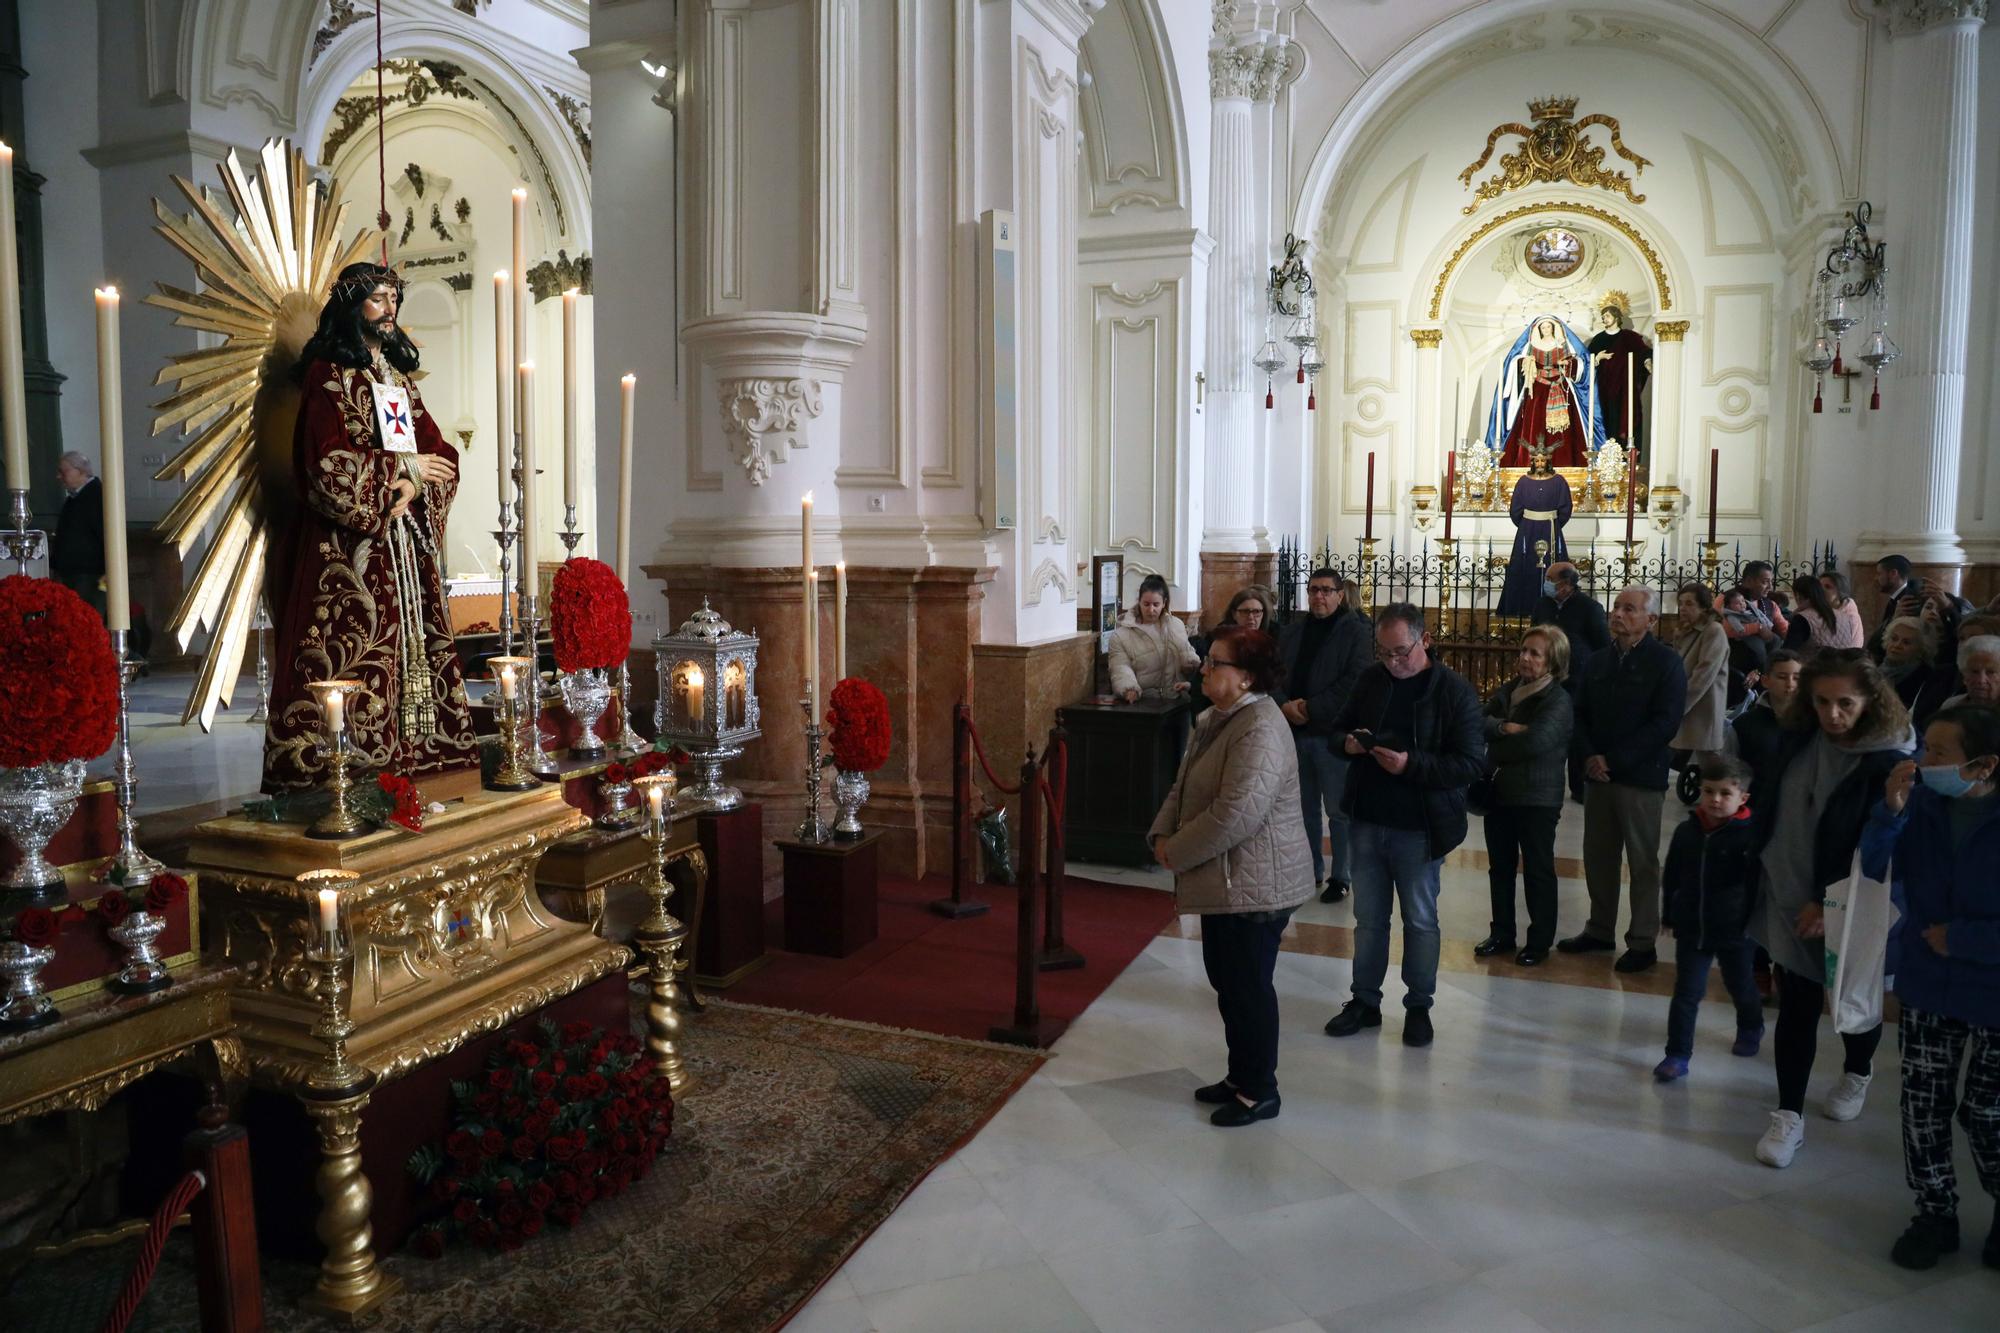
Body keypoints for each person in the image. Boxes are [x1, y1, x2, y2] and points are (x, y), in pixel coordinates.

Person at [262, 263, 476, 790]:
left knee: (417, 646)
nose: (390, 309)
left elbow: (438, 450)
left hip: (402, 539)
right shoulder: (327, 376)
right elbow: (324, 464)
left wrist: (416, 484)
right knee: (356, 647)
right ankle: (345, 772)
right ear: (352, 306)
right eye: (378, 299)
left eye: (393, 298)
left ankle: (422, 765)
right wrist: (401, 473)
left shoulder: (397, 380)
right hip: (348, 548)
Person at [1748, 651, 1915, 1169]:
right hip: (1786, 886)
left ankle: (1858, 1070)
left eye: (1846, 703)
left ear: (1870, 702)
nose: (1832, 714)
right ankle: (1788, 1114)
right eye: (1821, 701)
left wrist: (1830, 901)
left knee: (1853, 995)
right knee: (1796, 999)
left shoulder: (1887, 759)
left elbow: (1876, 843)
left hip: (1851, 897)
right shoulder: (1798, 737)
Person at [1148, 626, 1314, 1127]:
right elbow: (1183, 786)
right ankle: (1241, 1075)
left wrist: (1177, 851)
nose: (1204, 667)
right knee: (1227, 981)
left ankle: (1261, 1090)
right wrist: (1160, 834)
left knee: (1248, 987)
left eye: (1215, 662)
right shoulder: (1216, 718)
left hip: (1258, 881)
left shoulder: (1261, 727)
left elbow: (1237, 813)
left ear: (1245, 678)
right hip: (1228, 880)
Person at [1862, 703, 2000, 1270]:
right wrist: (1889, 813)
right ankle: (1934, 1212)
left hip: (1992, 986)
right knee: (1923, 1105)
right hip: (1926, 980)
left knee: (1989, 1112)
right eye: (1925, 749)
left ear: (1985, 765)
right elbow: (1873, 868)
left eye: (1939, 754)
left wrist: (1964, 940)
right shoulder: (1919, 803)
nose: (1924, 762)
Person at [1322, 604, 1486, 1046]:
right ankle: (1365, 1001)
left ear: (1424, 641)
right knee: (1369, 918)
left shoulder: (1453, 691)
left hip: (1420, 826)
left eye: (1401, 652)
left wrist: (1411, 765)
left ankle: (1418, 1006)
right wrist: (1349, 745)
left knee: (1419, 919)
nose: (1392, 662)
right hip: (1368, 818)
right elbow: (1336, 731)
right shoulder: (1371, 680)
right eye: (1384, 653)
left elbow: (1470, 762)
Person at [1559, 587, 1688, 972]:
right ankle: (1599, 929)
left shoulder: (1665, 663)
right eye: (1616, 607)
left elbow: (1665, 722)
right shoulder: (1598, 661)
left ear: (1651, 620)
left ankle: (1643, 940)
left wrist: (1612, 759)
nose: (1618, 614)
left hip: (1639, 778)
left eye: (1629, 609)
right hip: (1598, 778)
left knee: (1642, 861)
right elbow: (1578, 713)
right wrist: (1589, 757)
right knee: (1599, 857)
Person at [1655, 754, 1765, 1082]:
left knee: (1740, 984)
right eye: (1708, 791)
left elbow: (1757, 885)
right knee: (1687, 992)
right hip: (1692, 926)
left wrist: (1752, 923)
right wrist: (1669, 914)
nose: (1715, 800)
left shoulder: (1750, 836)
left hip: (1735, 930)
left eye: (1725, 794)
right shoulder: (1687, 832)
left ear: (1742, 798)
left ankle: (1750, 1024)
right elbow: (1672, 873)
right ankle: (1677, 1054)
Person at [1476, 625, 1574, 966]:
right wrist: (1503, 728)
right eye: (1523, 650)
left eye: (1535, 653)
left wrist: (1496, 744)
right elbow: (1477, 721)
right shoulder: (1509, 691)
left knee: (1538, 869)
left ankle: (1539, 940)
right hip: (1500, 793)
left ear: (1553, 661)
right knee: (1499, 868)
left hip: (1537, 797)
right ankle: (1502, 932)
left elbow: (1536, 742)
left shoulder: (1557, 700)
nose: (1525, 658)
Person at [1275, 569, 1372, 903]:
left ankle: (1341, 876)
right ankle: (1309, 869)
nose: (1319, 596)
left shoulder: (1357, 633)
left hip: (1330, 733)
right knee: (1302, 809)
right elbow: (1273, 674)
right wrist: (1285, 705)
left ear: (1340, 595)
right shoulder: (1292, 631)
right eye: (1314, 590)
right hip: (1294, 731)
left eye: (1326, 591)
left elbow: (1354, 681)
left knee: (1339, 810)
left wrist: (1312, 707)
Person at [1532, 561, 1610, 798]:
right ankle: (1543, 782)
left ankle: (1579, 787)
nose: (1545, 582)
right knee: (1545, 731)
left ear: (1565, 584)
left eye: (1549, 578)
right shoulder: (1543, 604)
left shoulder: (1589, 608)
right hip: (1545, 678)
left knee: (1576, 734)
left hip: (1577, 679)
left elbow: (1602, 646)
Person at [1499, 442, 1571, 616]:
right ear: (1532, 461)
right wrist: (1527, 525)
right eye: (1536, 461)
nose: (1539, 464)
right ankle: (1520, 609)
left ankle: (1555, 610)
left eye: (1542, 461)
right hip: (1527, 531)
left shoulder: (1558, 481)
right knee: (1525, 568)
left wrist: (1551, 523)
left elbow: (1565, 509)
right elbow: (1515, 510)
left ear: (1548, 461)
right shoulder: (1523, 482)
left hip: (1551, 530)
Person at [1109, 574, 1198, 704]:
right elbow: (1120, 667)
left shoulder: (1175, 624)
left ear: (1164, 603)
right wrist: (1129, 688)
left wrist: (1191, 664)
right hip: (1144, 701)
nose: (1151, 610)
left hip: (1177, 699)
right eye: (1146, 604)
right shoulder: (1121, 635)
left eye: (1156, 604)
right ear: (1139, 602)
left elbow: (1187, 653)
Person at [1190, 584, 1275, 716]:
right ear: (1234, 614)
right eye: (1245, 611)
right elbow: (1201, 680)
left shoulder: (1271, 641)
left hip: (1258, 709)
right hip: (1219, 708)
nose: (1251, 617)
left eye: (1257, 612)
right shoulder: (1219, 639)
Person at [1671, 581, 1730, 761]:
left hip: (1704, 705)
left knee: (1709, 761)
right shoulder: (1684, 631)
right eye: (1680, 603)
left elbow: (1703, 675)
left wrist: (1676, 707)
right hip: (1686, 702)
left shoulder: (1714, 630)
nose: (1682, 608)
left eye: (1689, 603)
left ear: (1704, 607)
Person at [1586, 304, 1653, 459]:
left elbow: (1643, 352)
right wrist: (1597, 358)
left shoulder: (1629, 337)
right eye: (1603, 317)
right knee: (1606, 419)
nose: (1605, 319)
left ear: (1616, 317)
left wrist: (1647, 361)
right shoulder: (1598, 339)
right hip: (1603, 389)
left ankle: (1625, 456)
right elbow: (1587, 361)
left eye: (1607, 316)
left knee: (1626, 418)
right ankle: (1605, 456)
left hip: (1625, 389)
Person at [1736, 649, 1804, 796]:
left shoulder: (1810, 723)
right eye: (1782, 677)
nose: (1790, 684)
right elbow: (1731, 769)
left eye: (1797, 678)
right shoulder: (1744, 725)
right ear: (1766, 681)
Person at [51, 451, 107, 620]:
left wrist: (109, 569)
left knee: (86, 621)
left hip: (89, 575)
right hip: (73, 573)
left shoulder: (97, 495)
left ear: (81, 471)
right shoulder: (75, 498)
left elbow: (106, 535)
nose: (59, 477)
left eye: (63, 472)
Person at [1880, 617, 1939, 711]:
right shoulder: (1877, 666)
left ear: (1921, 649)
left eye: (1906, 642)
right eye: (1894, 639)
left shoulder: (1926, 677)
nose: (1897, 645)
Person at [1784, 573, 1850, 654]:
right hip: (1843, 665)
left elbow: (1787, 652)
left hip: (1812, 665)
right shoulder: (1845, 617)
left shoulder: (1802, 618)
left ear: (1798, 595)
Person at [1871, 554, 1919, 653]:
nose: (1876, 578)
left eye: (1879, 573)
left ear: (1893, 573)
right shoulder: (1896, 599)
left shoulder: (1908, 601)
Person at [1941, 635, 2000, 710]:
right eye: (1974, 672)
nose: (1981, 680)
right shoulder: (1951, 706)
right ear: (1964, 676)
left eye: (1991, 672)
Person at [1818, 571, 1868, 650]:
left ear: (1840, 591)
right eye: (1819, 587)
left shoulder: (1850, 616)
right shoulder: (1818, 611)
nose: (1821, 590)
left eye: (1828, 587)